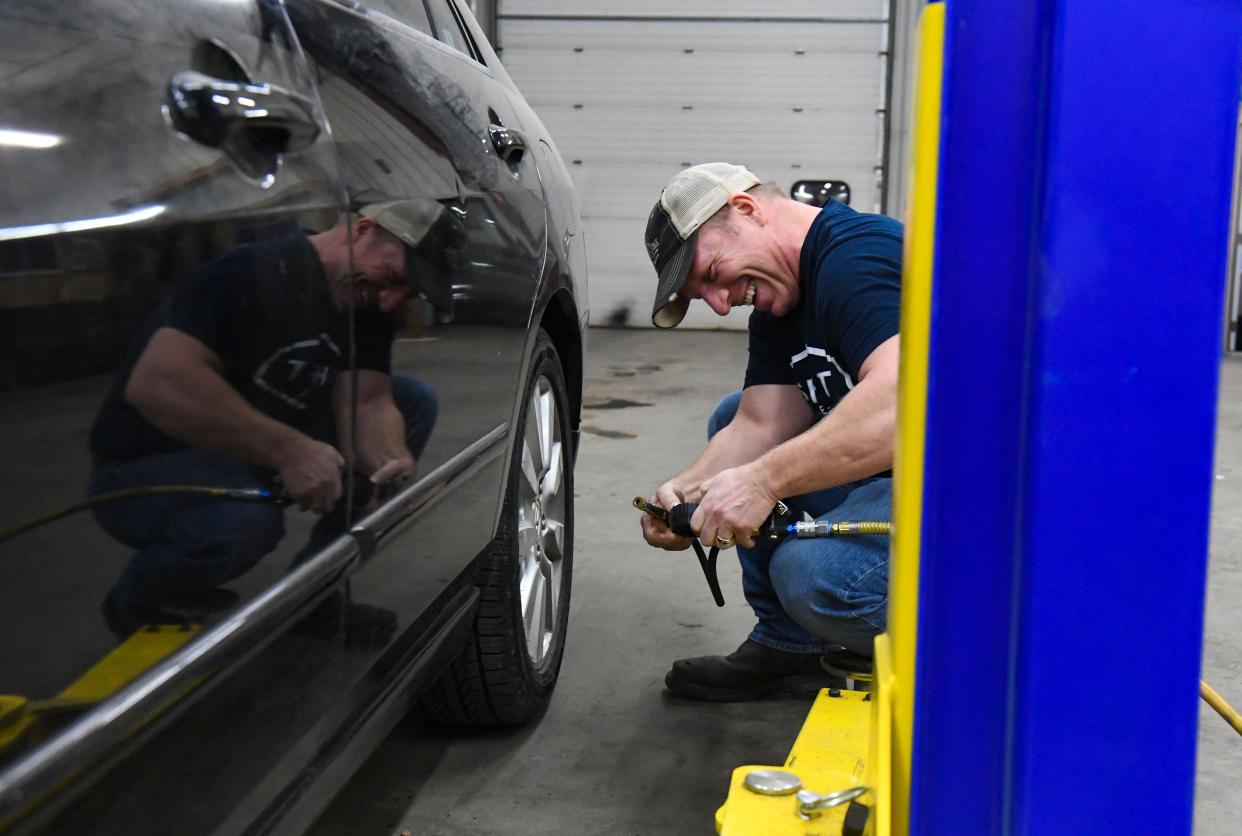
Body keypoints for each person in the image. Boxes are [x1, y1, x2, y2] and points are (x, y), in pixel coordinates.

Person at [88, 200, 457, 635]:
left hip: (247, 450)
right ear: (363, 230)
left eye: (407, 294)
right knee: (245, 524)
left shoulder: (365, 301)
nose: (391, 299)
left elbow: (368, 401)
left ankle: (313, 593)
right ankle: (139, 601)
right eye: (395, 278)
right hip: (148, 463)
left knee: (412, 401)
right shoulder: (251, 274)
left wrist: (387, 462)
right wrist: (290, 451)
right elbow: (160, 383)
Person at [639, 163, 902, 701]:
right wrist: (685, 492)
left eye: (711, 273)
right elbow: (760, 423)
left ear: (747, 209)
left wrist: (761, 483)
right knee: (732, 417)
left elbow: (904, 407)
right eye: (700, 296)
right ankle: (793, 643)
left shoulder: (856, 258)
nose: (717, 304)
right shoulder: (782, 304)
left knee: (818, 579)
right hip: (905, 477)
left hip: (989, 495)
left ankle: (988, 642)